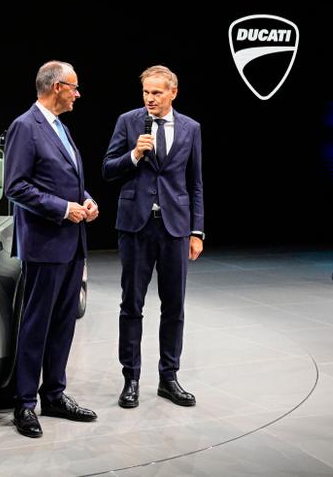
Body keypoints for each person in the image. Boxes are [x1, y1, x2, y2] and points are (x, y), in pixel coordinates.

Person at [3, 60, 99, 438]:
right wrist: (63, 209)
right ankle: (25, 403)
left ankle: (54, 395)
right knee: (37, 325)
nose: (78, 94)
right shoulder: (25, 126)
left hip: (72, 243)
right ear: (57, 87)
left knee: (63, 323)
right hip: (44, 245)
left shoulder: (61, 127)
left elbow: (66, 181)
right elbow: (16, 186)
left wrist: (86, 199)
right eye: (74, 87)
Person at [101, 65, 204, 410]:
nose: (150, 99)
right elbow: (107, 169)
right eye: (146, 92)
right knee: (132, 304)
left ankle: (168, 378)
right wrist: (133, 155)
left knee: (174, 306)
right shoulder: (128, 122)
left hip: (175, 228)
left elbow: (195, 183)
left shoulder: (191, 128)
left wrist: (196, 230)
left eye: (157, 93)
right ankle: (130, 379)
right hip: (136, 227)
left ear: (173, 92)